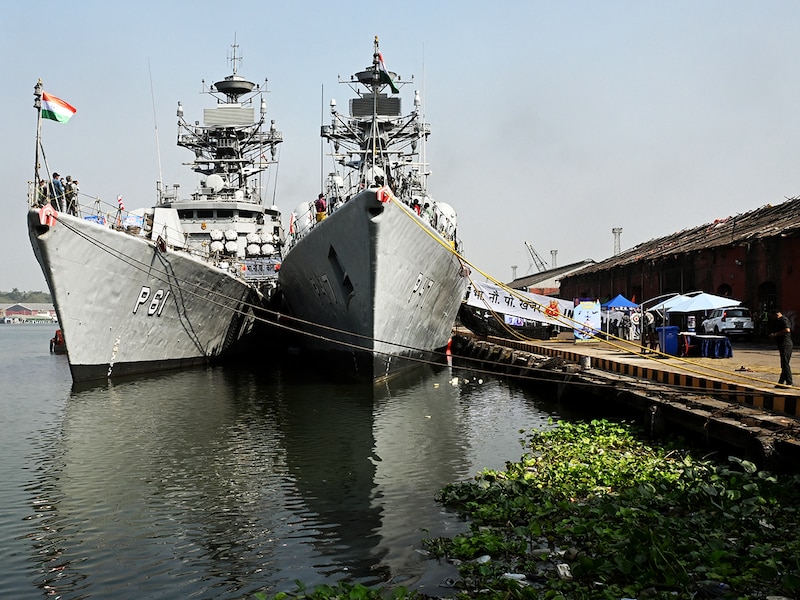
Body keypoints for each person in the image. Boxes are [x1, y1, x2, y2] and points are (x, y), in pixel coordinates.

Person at [769, 310, 793, 387]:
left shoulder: (784, 319)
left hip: (786, 344)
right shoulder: (778, 320)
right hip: (782, 344)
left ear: (776, 314)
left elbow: (787, 329)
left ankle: (789, 382)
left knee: (785, 364)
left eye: (772, 316)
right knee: (784, 364)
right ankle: (781, 382)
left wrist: (776, 334)